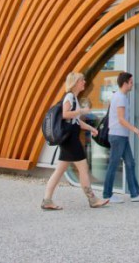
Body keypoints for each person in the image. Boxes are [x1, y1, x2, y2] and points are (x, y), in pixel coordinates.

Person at [41, 72, 108, 210]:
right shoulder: (70, 96)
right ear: (75, 82)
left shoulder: (74, 98)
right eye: (82, 80)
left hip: (69, 139)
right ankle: (92, 199)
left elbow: (75, 122)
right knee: (83, 168)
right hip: (70, 140)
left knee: (59, 171)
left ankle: (47, 201)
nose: (84, 82)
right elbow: (66, 115)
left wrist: (91, 128)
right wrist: (82, 111)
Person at [103, 72, 139, 203]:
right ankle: (107, 195)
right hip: (118, 136)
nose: (132, 84)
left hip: (121, 136)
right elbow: (121, 120)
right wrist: (137, 131)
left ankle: (135, 194)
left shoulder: (120, 96)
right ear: (125, 83)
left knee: (130, 163)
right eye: (130, 82)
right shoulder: (120, 98)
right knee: (113, 165)